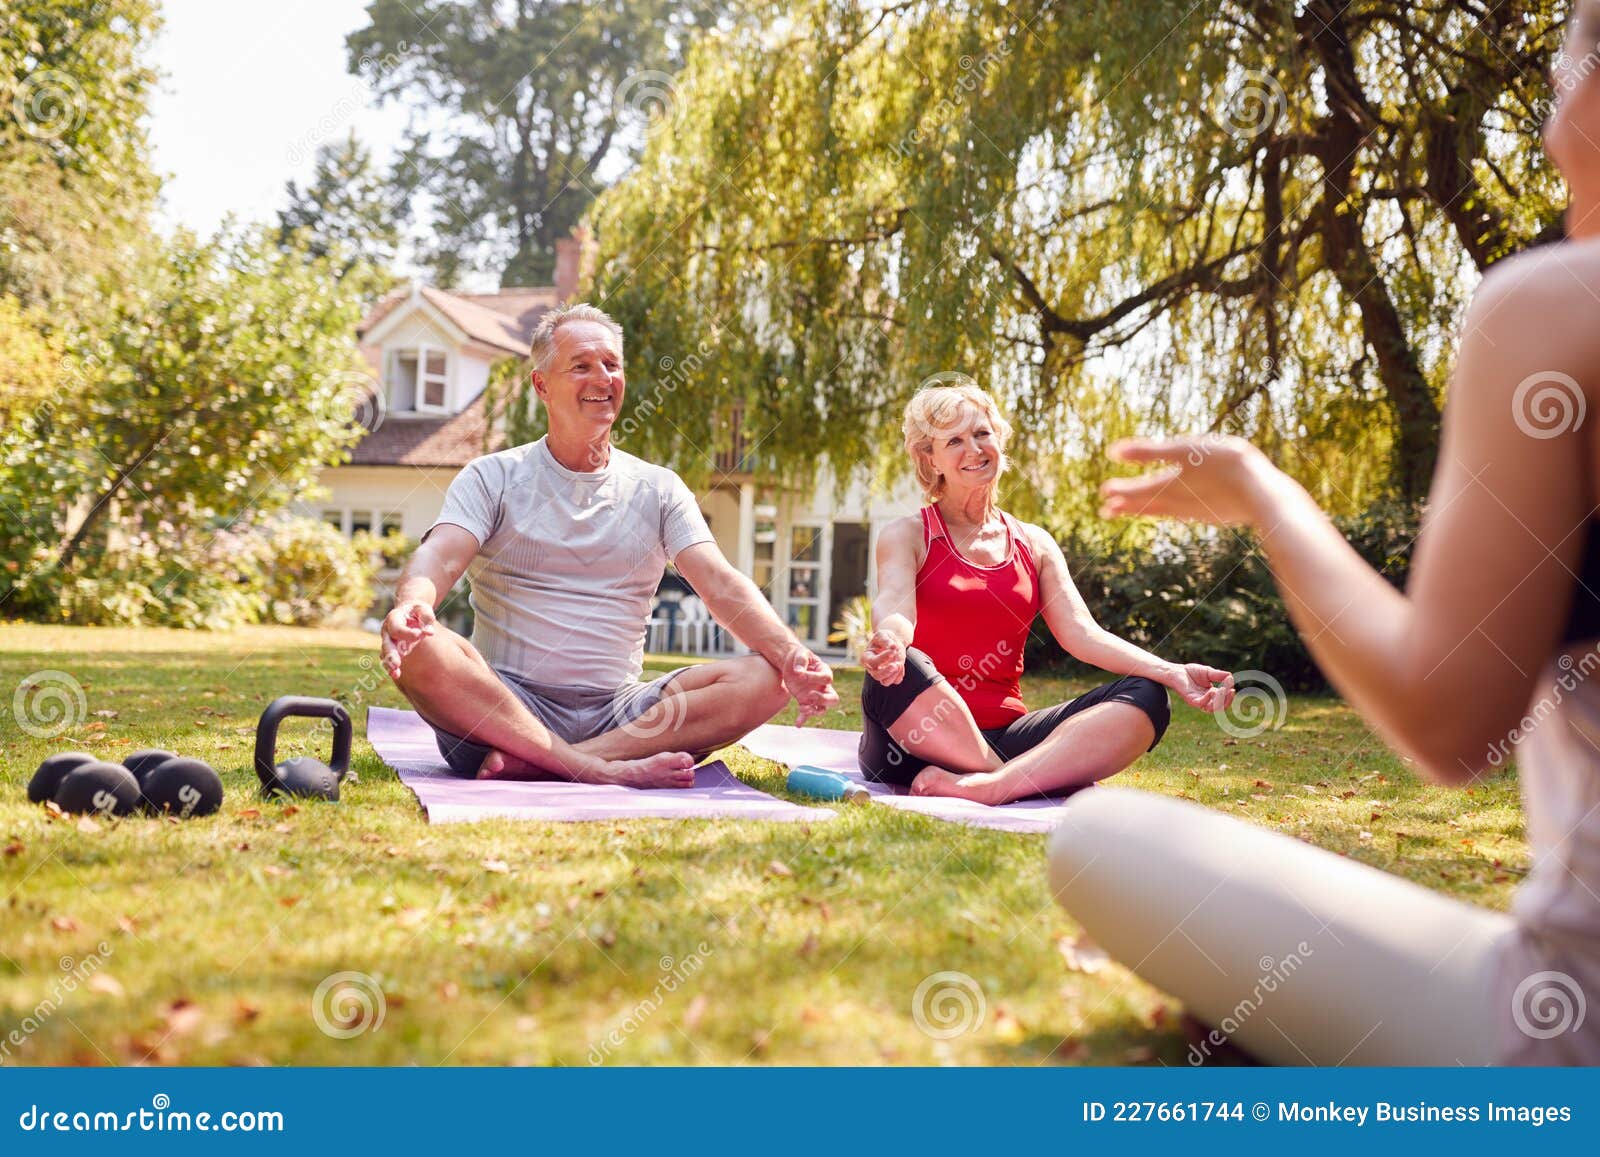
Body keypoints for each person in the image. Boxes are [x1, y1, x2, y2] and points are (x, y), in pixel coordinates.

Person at [1049, 10, 1600, 1065]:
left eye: (1571, 54)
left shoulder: (1547, 315)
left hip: (1567, 1031)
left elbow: (1447, 718)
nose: (1543, 117)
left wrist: (1266, 495)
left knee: (1100, 838)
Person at [380, 303, 838, 788]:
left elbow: (721, 584)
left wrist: (793, 657)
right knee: (419, 648)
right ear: (541, 386)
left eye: (611, 364)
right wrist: (413, 604)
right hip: (504, 707)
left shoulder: (658, 488)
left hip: (624, 716)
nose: (602, 377)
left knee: (766, 680)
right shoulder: (492, 477)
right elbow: (441, 555)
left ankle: (553, 761)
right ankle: (593, 768)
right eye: (581, 365)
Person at [857, 381, 1237, 805]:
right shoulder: (909, 534)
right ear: (931, 458)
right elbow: (895, 605)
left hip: (1007, 737)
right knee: (901, 667)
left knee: (1147, 697)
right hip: (912, 744)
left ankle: (994, 784)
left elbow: (1082, 634)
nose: (974, 449)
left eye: (982, 433)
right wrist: (889, 639)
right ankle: (1003, 776)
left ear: (998, 438)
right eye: (954, 441)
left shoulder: (1033, 543)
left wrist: (1170, 671)